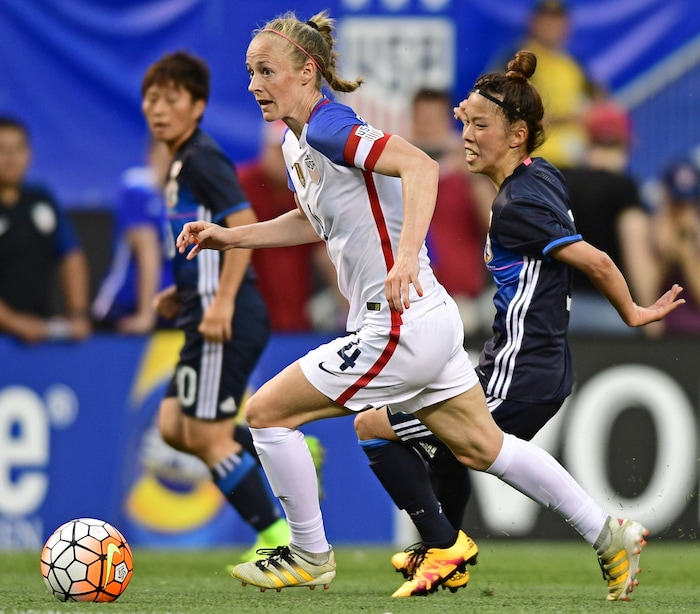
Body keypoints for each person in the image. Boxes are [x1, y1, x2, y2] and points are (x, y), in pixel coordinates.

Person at [176, 12, 682, 600]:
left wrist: (407, 256)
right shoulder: (298, 142)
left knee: (266, 414)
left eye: (266, 71)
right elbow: (316, 222)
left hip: (397, 323)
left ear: (306, 71)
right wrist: (232, 236)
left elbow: (418, 166)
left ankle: (311, 553)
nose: (255, 84)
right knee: (483, 446)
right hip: (425, 318)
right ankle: (607, 532)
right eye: (249, 73)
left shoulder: (327, 126)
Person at [353, 48, 685, 600]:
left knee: (376, 427)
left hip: (521, 367)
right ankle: (443, 547)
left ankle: (603, 534)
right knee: (450, 443)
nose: (468, 134)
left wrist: (634, 312)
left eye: (482, 126)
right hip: (535, 363)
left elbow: (597, 260)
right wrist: (480, 102)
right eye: (466, 122)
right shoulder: (539, 174)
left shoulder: (517, 208)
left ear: (518, 135)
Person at [140, 50, 291, 562]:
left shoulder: (202, 158)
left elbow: (241, 224)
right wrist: (179, 290)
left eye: (171, 99)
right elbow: (199, 241)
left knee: (203, 435)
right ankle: (279, 451)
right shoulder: (180, 162)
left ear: (198, 105)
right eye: (152, 99)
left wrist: (222, 301)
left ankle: (276, 537)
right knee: (170, 426)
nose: (158, 109)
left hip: (223, 319)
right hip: (199, 312)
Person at [237, 119, 346, 332]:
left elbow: (324, 254)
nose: (286, 158)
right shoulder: (242, 185)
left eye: (292, 150)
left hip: (295, 318)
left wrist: (350, 308)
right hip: (247, 317)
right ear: (265, 149)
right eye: (280, 150)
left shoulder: (308, 190)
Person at [563, 100, 658, 335]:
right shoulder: (625, 188)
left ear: (588, 140)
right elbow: (635, 252)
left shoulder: (562, 181)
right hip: (607, 311)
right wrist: (652, 315)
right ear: (628, 142)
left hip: (558, 309)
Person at [0, 115, 92, 343]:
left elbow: (71, 255)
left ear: (29, 153)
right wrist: (12, 322)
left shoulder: (41, 199)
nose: (10, 158)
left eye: (18, 149)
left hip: (39, 336)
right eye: (2, 149)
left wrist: (78, 314)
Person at [408, 88, 491, 335]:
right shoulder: (399, 174)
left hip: (459, 297)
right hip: (412, 299)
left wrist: (473, 176)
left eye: (433, 121)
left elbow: (493, 224)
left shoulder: (468, 174)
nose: (428, 129)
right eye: (422, 121)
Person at [497, 0, 601, 169]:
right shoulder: (520, 60)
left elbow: (598, 101)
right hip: (533, 158)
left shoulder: (574, 65)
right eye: (547, 20)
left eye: (557, 21)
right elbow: (503, 108)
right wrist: (564, 118)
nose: (552, 26)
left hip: (576, 159)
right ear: (534, 23)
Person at [91, 138, 175, 334]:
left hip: (173, 309)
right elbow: (148, 253)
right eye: (164, 156)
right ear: (150, 156)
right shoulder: (137, 189)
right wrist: (146, 315)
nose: (169, 163)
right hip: (126, 307)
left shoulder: (193, 198)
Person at [648, 159, 700, 334]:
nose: (681, 211)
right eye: (676, 203)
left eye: (687, 204)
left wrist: (686, 253)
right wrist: (666, 254)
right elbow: (646, 296)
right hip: (665, 333)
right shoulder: (651, 228)